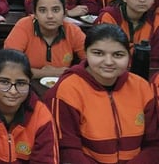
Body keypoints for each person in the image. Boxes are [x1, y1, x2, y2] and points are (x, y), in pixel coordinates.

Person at [45, 24, 159, 163]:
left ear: (129, 57)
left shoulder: (142, 88)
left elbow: (153, 144)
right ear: (86, 53)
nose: (108, 62)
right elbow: (66, 150)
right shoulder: (66, 90)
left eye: (118, 55)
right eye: (98, 53)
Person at [4, 0, 86, 78]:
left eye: (55, 10)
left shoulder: (72, 31)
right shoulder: (23, 26)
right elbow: (9, 66)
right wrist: (50, 73)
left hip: (63, 84)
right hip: (26, 85)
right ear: (35, 14)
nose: (50, 16)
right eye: (43, 10)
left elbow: (90, 62)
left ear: (65, 13)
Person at [96, 0, 159, 65]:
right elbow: (105, 50)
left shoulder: (156, 21)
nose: (142, 0)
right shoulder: (110, 16)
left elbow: (155, 60)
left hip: (147, 73)